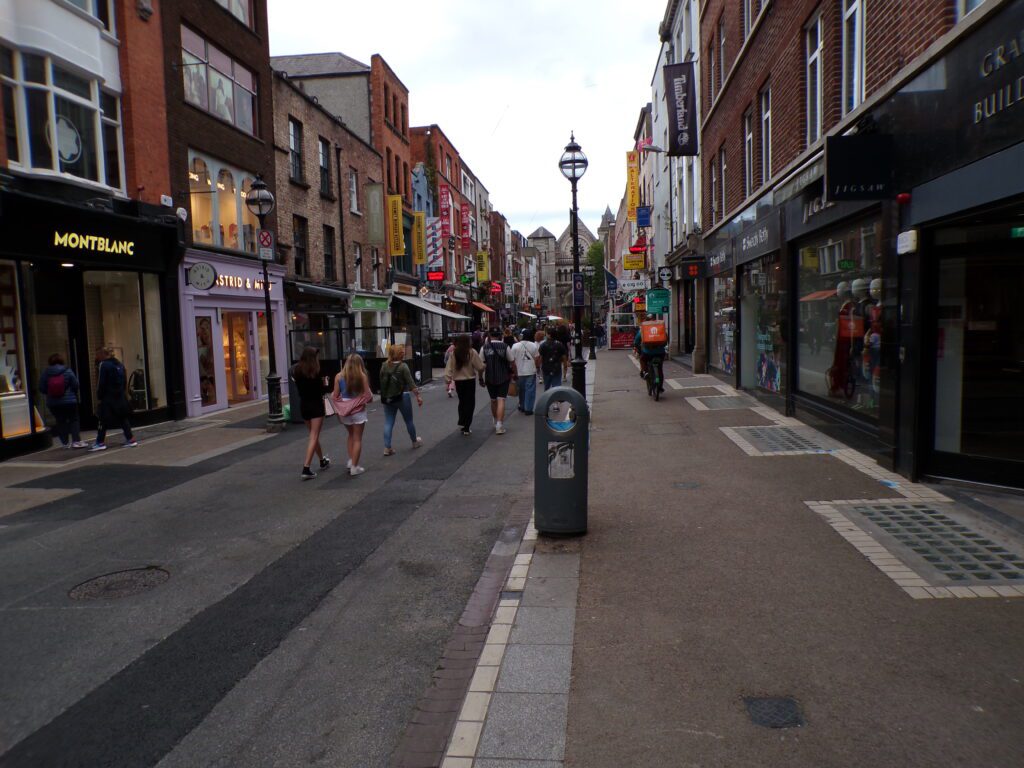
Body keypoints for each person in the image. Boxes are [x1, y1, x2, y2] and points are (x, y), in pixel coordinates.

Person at [291, 346, 331, 480]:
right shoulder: (316, 371)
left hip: (304, 405)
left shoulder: (297, 371)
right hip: (316, 406)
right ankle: (306, 467)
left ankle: (322, 460)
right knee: (314, 436)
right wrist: (325, 384)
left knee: (313, 435)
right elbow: (323, 390)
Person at [379, 343, 423, 456]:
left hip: (388, 397)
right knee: (408, 420)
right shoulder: (403, 366)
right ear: (400, 354)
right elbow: (411, 383)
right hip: (402, 396)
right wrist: (418, 396)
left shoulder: (384, 365)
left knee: (388, 422)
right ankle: (414, 441)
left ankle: (387, 447)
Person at [90, 347, 136, 451]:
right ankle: (131, 439)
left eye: (97, 355)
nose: (96, 357)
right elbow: (124, 380)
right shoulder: (118, 363)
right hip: (119, 396)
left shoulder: (104, 365)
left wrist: (99, 395)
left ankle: (99, 442)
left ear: (102, 354)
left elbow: (101, 383)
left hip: (108, 396)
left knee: (102, 419)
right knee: (122, 418)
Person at [38, 353, 87, 449]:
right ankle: (76, 441)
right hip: (69, 401)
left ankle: (65, 443)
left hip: (53, 403)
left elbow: (41, 388)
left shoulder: (46, 373)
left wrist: (50, 393)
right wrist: (71, 392)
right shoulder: (67, 370)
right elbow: (75, 384)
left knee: (60, 421)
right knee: (74, 419)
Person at [333, 353, 371, 476]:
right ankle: (355, 466)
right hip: (358, 411)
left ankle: (351, 461)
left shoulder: (339, 377)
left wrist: (342, 406)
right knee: (357, 438)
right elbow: (368, 396)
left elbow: (335, 396)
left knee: (350, 435)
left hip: (345, 410)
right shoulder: (362, 376)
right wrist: (358, 402)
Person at [444, 334, 484, 435]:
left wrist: (448, 379)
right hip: (469, 380)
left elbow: (449, 367)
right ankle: (467, 426)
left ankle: (462, 421)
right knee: (470, 403)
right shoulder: (472, 352)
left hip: (458, 381)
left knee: (462, 401)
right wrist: (482, 372)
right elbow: (480, 367)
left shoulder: (454, 353)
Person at [479, 327, 515, 435]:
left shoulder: (484, 347)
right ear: (500, 335)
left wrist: (480, 377)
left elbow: (481, 365)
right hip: (503, 377)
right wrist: (514, 374)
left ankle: (495, 421)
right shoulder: (505, 346)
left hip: (490, 377)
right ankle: (499, 425)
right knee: (501, 400)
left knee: (493, 400)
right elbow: (512, 361)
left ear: (489, 335)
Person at [511, 329, 541, 415]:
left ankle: (522, 405)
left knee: (521, 390)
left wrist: (513, 372)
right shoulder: (533, 346)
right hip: (530, 370)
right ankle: (528, 408)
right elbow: (537, 358)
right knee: (530, 390)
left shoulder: (515, 346)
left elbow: (512, 360)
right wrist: (537, 367)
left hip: (519, 371)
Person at [634, 313, 668, 384]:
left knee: (642, 359)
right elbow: (666, 338)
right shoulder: (660, 327)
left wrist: (637, 347)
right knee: (660, 368)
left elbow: (636, 341)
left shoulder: (643, 329)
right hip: (660, 352)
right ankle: (660, 387)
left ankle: (645, 372)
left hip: (648, 352)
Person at [538, 326, 568, 391]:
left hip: (546, 368)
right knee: (557, 386)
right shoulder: (559, 344)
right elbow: (564, 356)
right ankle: (556, 398)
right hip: (556, 368)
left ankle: (547, 399)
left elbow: (540, 357)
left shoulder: (543, 345)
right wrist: (565, 365)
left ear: (549, 335)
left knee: (547, 386)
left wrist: (539, 367)